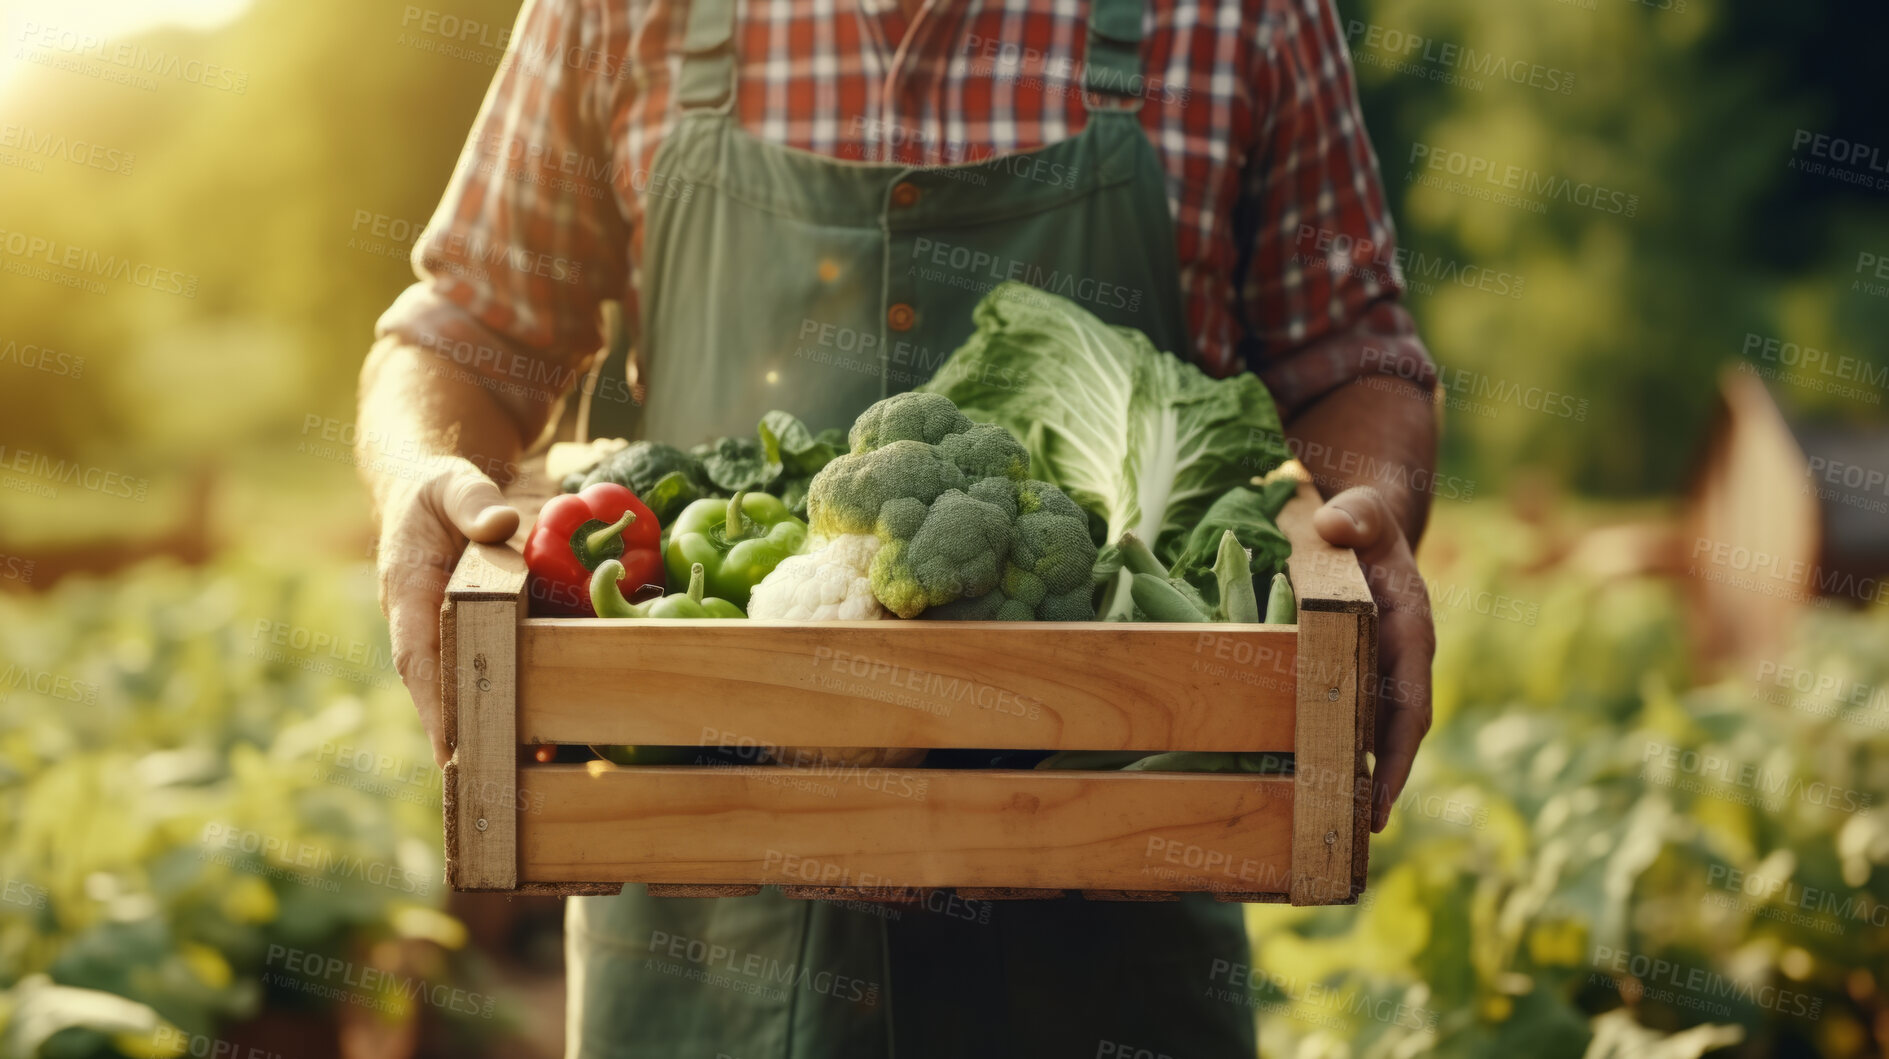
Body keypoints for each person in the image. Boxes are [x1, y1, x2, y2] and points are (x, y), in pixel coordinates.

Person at [359, 0, 1439, 1052]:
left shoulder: (1245, 14)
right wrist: (421, 472)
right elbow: (464, 326)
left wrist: (1372, 504)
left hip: (1115, 923)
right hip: (703, 943)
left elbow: (1353, 355)